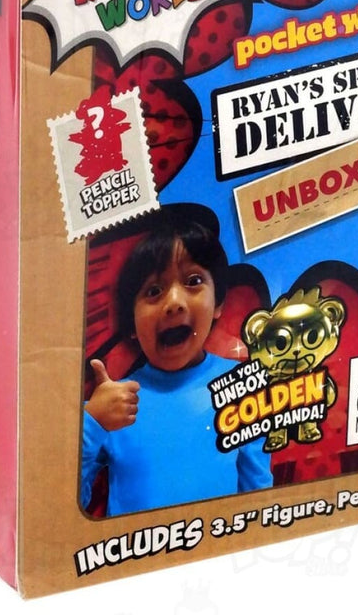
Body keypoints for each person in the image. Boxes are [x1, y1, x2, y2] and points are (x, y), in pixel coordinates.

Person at [81, 205, 272, 516]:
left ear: (218, 302)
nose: (174, 302)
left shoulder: (241, 387)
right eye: (154, 290)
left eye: (193, 281)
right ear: (131, 324)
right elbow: (68, 504)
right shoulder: (115, 402)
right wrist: (92, 422)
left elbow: (258, 495)